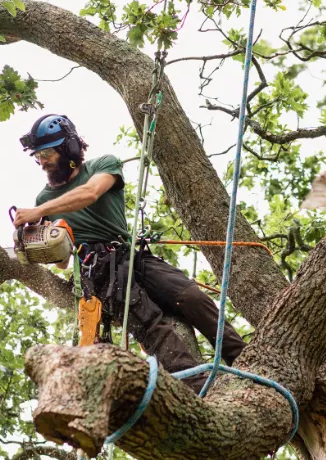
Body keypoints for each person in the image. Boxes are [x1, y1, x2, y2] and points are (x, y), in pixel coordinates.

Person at [14, 114, 246, 393]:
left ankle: (244, 360)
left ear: (69, 149)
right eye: (38, 156)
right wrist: (40, 243)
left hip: (129, 255)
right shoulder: (44, 199)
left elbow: (90, 193)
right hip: (98, 269)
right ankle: (199, 389)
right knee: (149, 321)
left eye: (48, 153)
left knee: (191, 296)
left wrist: (41, 212)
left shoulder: (103, 165)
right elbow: (63, 262)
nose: (42, 161)